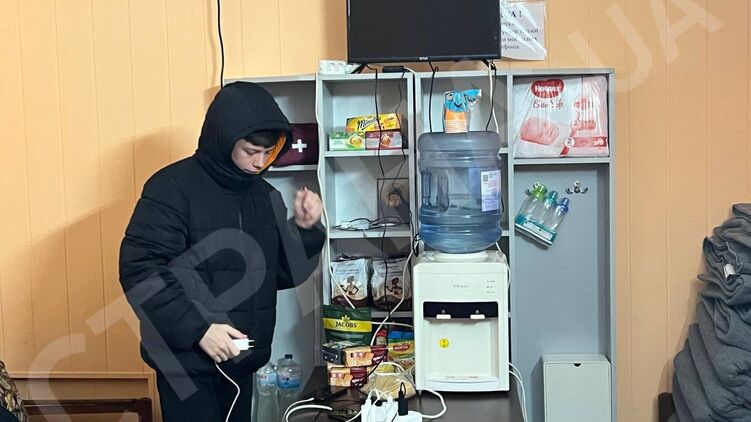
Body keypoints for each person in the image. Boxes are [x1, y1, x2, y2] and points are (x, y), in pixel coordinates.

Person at [119, 82, 325, 421]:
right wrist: (199, 330)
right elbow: (140, 271)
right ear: (224, 139)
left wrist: (304, 229)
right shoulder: (171, 188)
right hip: (184, 364)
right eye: (250, 151)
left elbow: (279, 275)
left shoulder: (266, 196)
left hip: (241, 360)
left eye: (268, 152)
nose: (259, 162)